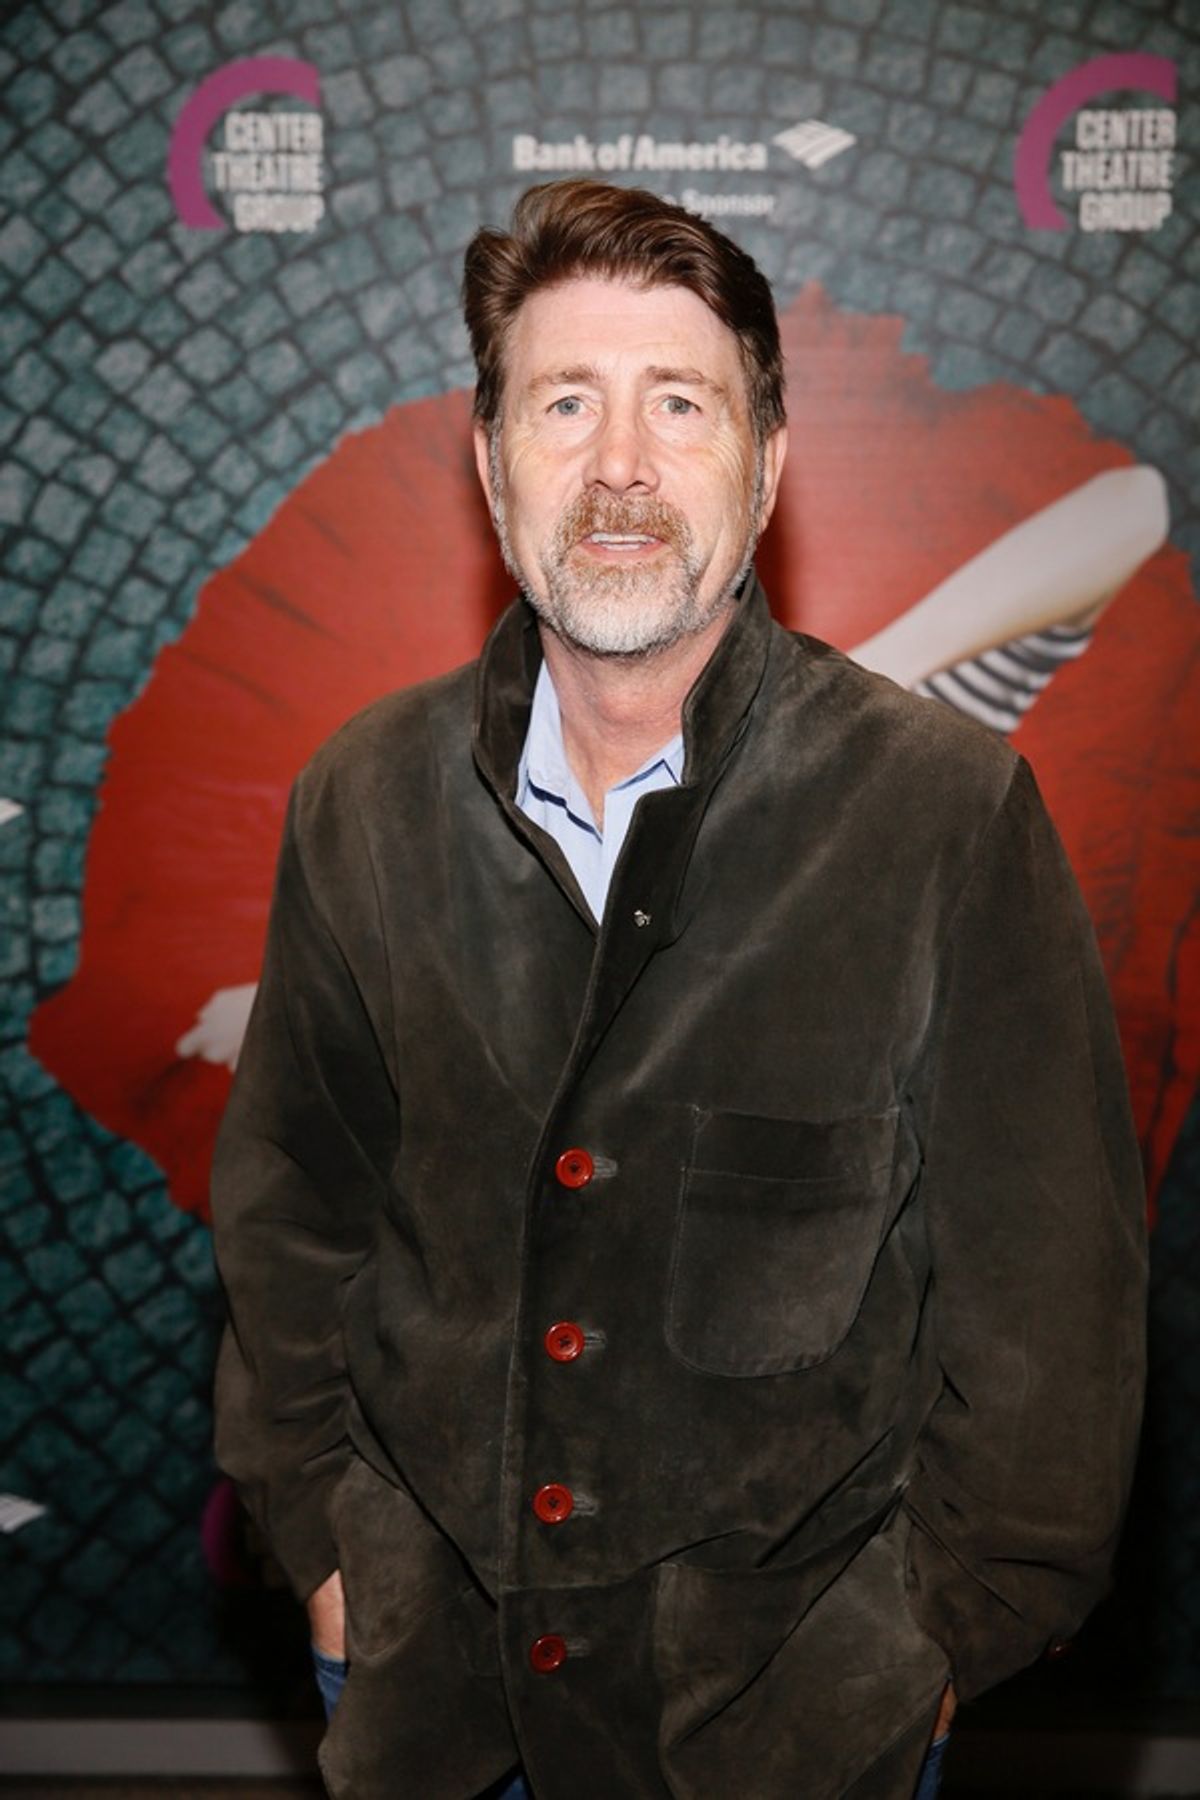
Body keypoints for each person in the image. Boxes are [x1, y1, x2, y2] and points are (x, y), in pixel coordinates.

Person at [212, 180, 1147, 1800]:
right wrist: (328, 1549)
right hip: (436, 1706)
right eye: (565, 403)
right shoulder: (360, 802)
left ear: (768, 465)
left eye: (682, 405)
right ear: (493, 467)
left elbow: (1047, 1304)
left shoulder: (940, 814)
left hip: (797, 1731)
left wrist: (940, 1643)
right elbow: (293, 1218)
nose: (623, 466)